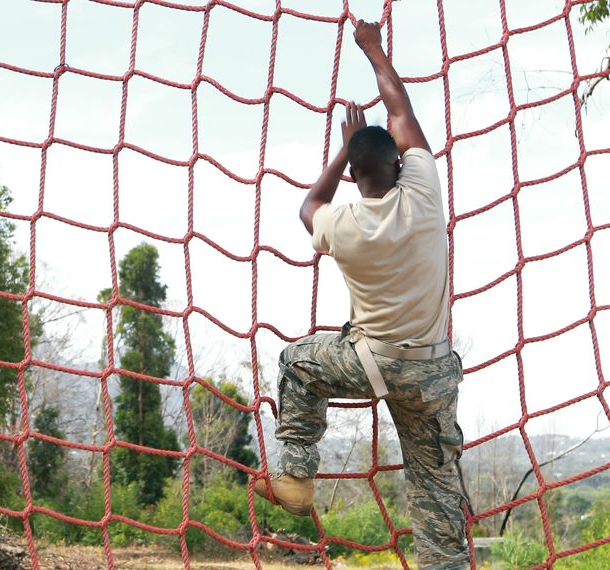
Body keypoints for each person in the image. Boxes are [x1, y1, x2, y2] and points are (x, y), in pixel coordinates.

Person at [254, 20, 471, 569]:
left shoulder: (342, 224)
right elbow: (401, 117)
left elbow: (307, 208)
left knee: (298, 363)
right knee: (435, 488)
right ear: (399, 164)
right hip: (431, 373)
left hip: (370, 364)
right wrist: (373, 49)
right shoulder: (423, 193)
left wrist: (341, 154)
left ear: (353, 178)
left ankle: (298, 476)